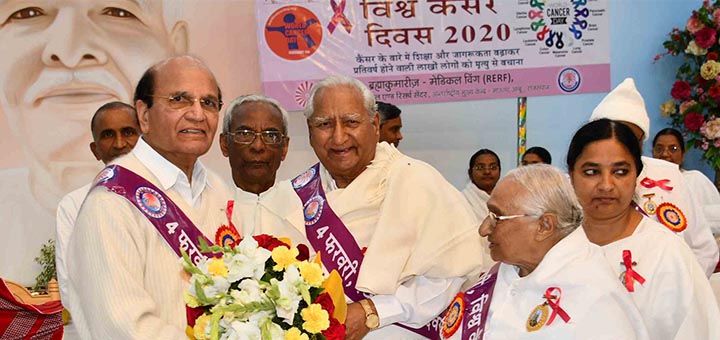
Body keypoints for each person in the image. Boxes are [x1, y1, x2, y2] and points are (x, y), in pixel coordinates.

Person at [255, 75, 486, 339]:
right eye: (324, 124)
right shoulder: (290, 198)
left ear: (375, 124)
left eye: (351, 122)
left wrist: (373, 310)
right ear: (309, 131)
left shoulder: (418, 181)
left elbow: (449, 277)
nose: (339, 137)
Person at [0, 0, 189, 285]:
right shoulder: (69, 208)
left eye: (117, 12)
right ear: (94, 147)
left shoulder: (200, 197)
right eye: (28, 13)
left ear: (176, 50)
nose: (70, 52)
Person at [64, 56, 231, 339]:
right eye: (179, 99)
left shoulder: (216, 187)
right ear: (143, 115)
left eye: (209, 102)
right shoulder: (111, 201)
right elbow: (122, 327)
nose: (197, 114)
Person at [446, 165, 648, 339]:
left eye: (497, 217)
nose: (484, 229)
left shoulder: (596, 301)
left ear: (544, 226)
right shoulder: (508, 270)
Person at [567, 118, 720, 339]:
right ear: (571, 175)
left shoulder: (666, 252)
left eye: (620, 172)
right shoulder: (556, 245)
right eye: (591, 172)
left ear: (637, 176)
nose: (606, 185)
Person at [589, 78, 719, 277]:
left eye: (631, 137)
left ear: (642, 141)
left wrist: (678, 291)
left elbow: (703, 248)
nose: (621, 144)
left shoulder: (669, 175)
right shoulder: (582, 179)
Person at [55, 101, 140, 320]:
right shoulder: (74, 205)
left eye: (129, 132)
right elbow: (69, 288)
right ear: (95, 150)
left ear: (145, 140)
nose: (120, 143)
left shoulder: (169, 197)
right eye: (108, 135)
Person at [220, 94, 291, 236]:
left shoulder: (302, 208)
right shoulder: (210, 205)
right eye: (245, 133)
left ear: (284, 148)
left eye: (270, 135)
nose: (258, 146)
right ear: (224, 144)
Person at [653, 128, 720, 236]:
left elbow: (717, 217)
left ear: (683, 154)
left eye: (673, 149)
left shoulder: (695, 179)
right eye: (659, 149)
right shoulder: (646, 184)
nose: (665, 154)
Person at [462, 149, 501, 221]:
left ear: (499, 171)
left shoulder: (508, 198)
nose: (487, 172)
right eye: (480, 167)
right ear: (470, 173)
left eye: (493, 167)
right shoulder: (462, 200)